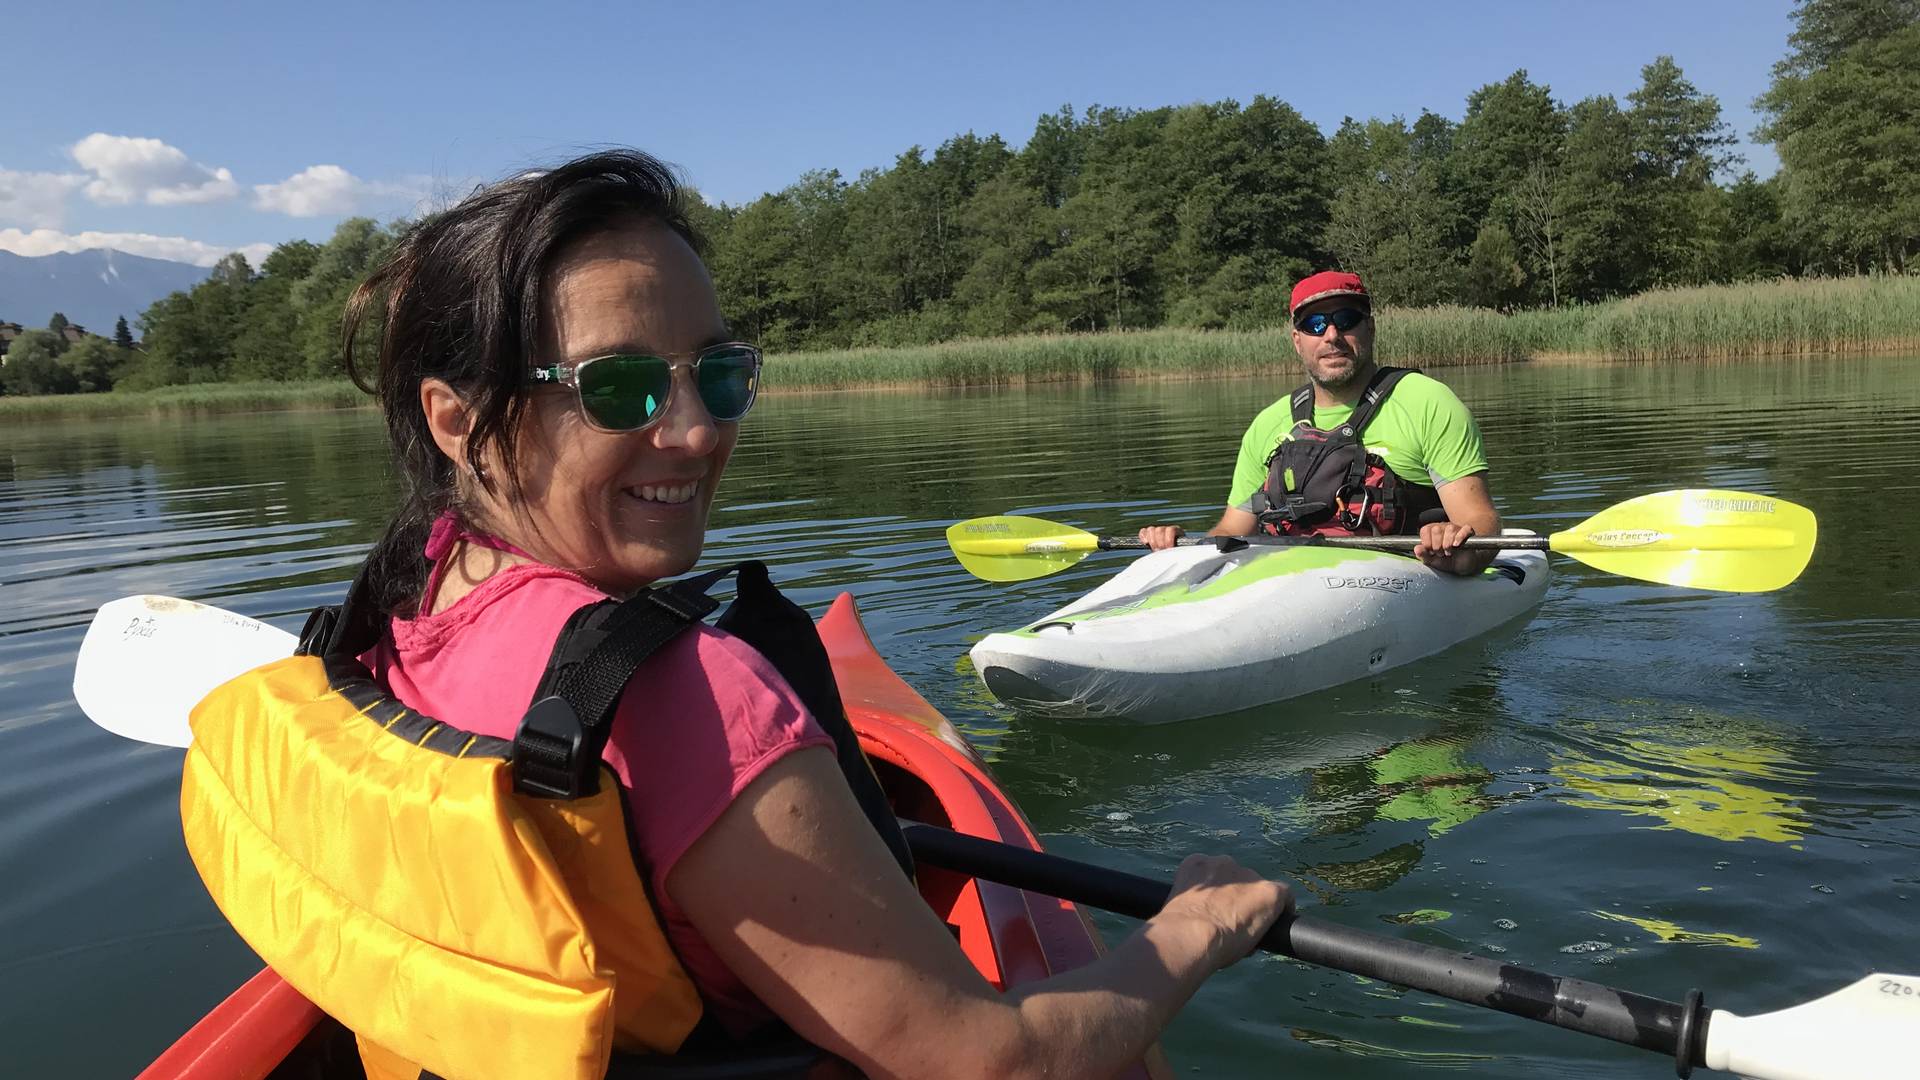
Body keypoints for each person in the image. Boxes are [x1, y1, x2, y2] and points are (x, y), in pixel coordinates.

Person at [183, 151, 1292, 1080]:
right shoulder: (688, 698)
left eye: (718, 374)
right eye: (620, 388)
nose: (695, 429)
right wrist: (1193, 933)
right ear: (456, 419)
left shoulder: (391, 614)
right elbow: (990, 1061)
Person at [1139, 270, 1499, 576]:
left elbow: (1482, 525)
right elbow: (1232, 532)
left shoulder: (1427, 403)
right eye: (1314, 325)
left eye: (1345, 320)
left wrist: (1452, 546)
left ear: (1370, 328)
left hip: (1400, 581)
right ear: (1297, 341)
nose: (1331, 336)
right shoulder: (1269, 424)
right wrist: (1181, 547)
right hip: (1290, 584)